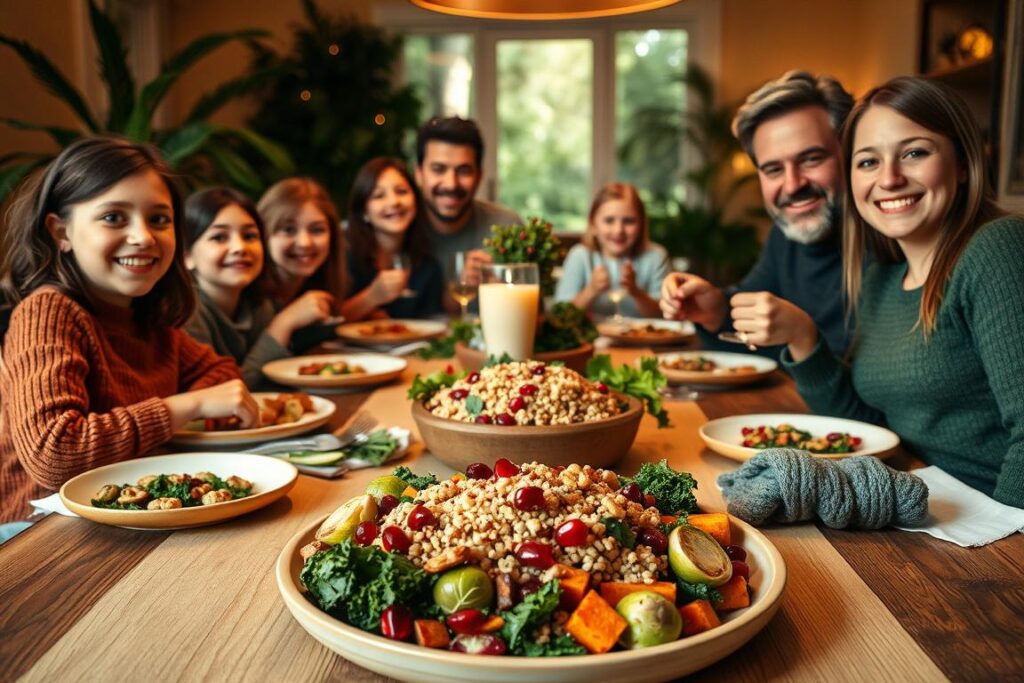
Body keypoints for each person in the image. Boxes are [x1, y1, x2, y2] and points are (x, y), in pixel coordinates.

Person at [754, 77, 1024, 507]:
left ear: (962, 163)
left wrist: (1002, 551)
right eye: (867, 162)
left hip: (991, 528)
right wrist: (804, 339)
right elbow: (871, 428)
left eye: (914, 152)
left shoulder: (996, 249)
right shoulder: (882, 278)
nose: (890, 179)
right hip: (917, 506)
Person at [0, 137, 258, 527]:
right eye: (113, 218)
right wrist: (189, 407)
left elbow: (222, 375)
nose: (143, 237)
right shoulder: (47, 310)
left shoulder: (146, 321)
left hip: (125, 521)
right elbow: (54, 454)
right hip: (37, 533)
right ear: (60, 232)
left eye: (159, 219)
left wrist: (200, 402)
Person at [660, 71, 855, 357]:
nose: (793, 184)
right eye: (773, 169)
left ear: (849, 154)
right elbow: (749, 313)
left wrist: (801, 337)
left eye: (811, 159)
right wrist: (714, 311)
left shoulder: (889, 243)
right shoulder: (786, 234)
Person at [183, 188, 336, 387]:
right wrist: (282, 325)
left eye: (249, 236)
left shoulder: (257, 304)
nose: (240, 247)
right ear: (186, 256)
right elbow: (219, 396)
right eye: (219, 237)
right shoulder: (186, 315)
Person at [414, 116, 523, 309]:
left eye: (464, 171)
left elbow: (535, 318)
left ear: (479, 176)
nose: (451, 184)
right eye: (438, 169)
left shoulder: (506, 228)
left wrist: (504, 292)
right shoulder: (399, 227)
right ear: (419, 174)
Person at [340, 157, 443, 321]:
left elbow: (432, 326)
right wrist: (371, 298)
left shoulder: (427, 267)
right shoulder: (343, 257)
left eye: (401, 191)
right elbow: (323, 323)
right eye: (379, 195)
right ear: (364, 212)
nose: (394, 202)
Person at [555, 182, 668, 318]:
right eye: (609, 220)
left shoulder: (655, 256)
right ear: (593, 224)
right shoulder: (580, 256)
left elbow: (663, 315)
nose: (618, 230)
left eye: (628, 221)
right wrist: (591, 290)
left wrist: (635, 291)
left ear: (642, 224)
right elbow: (560, 316)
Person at [257, 177, 346, 350]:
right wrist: (286, 321)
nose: (305, 243)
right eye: (289, 230)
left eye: (317, 230)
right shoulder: (249, 299)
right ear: (263, 234)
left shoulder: (322, 284)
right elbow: (244, 376)